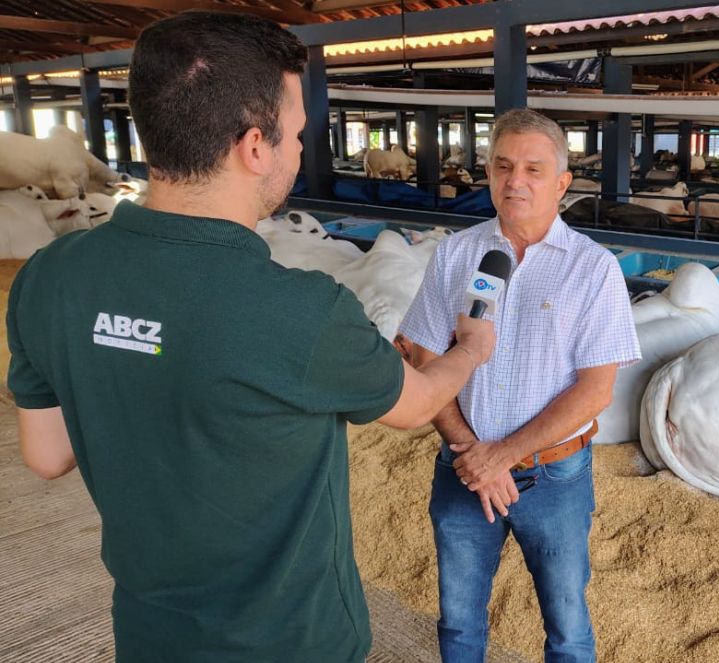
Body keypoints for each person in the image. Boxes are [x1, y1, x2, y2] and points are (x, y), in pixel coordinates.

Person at [7, 11, 494, 662]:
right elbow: (414, 404)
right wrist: (471, 349)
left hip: (151, 635)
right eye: (297, 134)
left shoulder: (48, 277)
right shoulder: (302, 310)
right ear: (255, 145)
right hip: (294, 642)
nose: (299, 151)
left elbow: (46, 454)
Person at [399, 108, 641, 662]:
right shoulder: (457, 255)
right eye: (504, 166)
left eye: (534, 169)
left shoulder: (594, 268)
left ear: (561, 183)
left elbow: (594, 390)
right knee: (459, 624)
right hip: (461, 469)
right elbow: (425, 358)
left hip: (554, 477)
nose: (516, 181)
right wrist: (471, 453)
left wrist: (501, 457)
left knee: (567, 628)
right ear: (487, 173)